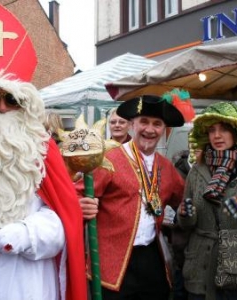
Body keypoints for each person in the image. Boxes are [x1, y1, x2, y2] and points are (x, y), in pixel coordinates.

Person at [0, 73, 87, 300]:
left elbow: (63, 218)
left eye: (13, 100)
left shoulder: (42, 149)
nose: (2, 108)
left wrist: (30, 233)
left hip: (28, 279)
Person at [75, 95, 185, 300]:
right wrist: (79, 205)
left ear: (164, 130)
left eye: (157, 124)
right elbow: (77, 192)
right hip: (112, 263)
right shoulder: (109, 159)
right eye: (144, 122)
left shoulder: (167, 167)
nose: (150, 130)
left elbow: (186, 198)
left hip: (153, 259)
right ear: (132, 125)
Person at [177, 101, 237, 300]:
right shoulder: (197, 170)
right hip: (199, 270)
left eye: (224, 129)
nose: (217, 135)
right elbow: (186, 223)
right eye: (212, 130)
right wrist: (184, 214)